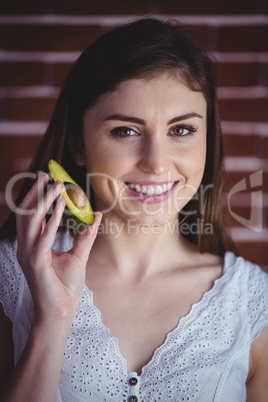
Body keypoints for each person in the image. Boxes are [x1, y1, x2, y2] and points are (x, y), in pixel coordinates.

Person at [0, 17, 267, 402]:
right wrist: (51, 321)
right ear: (78, 145)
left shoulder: (253, 303)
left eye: (181, 130)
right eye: (125, 131)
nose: (156, 163)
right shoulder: (12, 278)